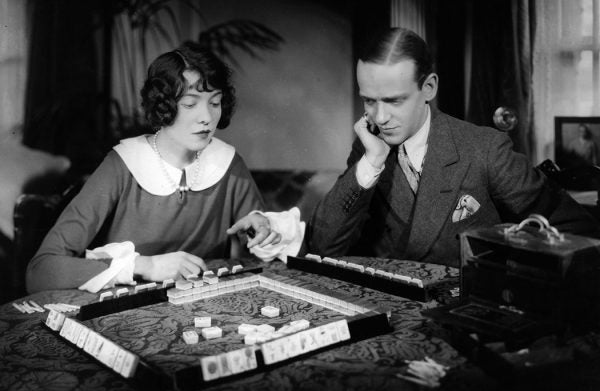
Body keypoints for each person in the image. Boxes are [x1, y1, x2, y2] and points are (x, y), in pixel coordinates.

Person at [307, 28, 598, 268]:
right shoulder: (369, 149)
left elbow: (577, 233)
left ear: (429, 88)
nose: (380, 118)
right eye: (370, 100)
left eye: (394, 101)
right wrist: (370, 165)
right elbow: (322, 245)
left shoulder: (484, 149)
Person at [26, 42, 303, 293]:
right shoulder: (121, 164)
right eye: (190, 104)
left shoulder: (229, 164)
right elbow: (41, 272)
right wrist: (146, 266)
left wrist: (263, 228)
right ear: (164, 106)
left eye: (215, 103)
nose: (207, 117)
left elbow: (258, 260)